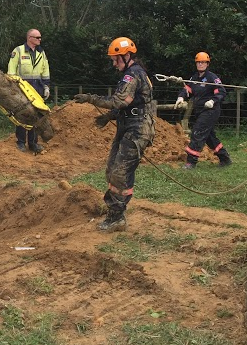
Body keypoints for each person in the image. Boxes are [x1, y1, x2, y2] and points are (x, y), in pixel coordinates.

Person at [73, 36, 156, 232]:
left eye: (115, 58)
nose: (113, 63)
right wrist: (109, 116)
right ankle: (115, 211)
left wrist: (90, 98)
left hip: (138, 128)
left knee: (120, 172)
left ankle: (117, 216)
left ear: (126, 56)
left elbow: (119, 101)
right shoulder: (131, 73)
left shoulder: (132, 75)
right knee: (112, 170)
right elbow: (128, 103)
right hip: (127, 125)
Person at [174, 51, 232, 169]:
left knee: (197, 132)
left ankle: (191, 162)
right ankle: (225, 158)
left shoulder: (212, 77)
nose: (200, 64)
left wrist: (212, 101)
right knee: (210, 137)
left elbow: (221, 92)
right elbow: (187, 89)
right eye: (198, 62)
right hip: (200, 111)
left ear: (207, 64)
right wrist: (181, 97)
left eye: (203, 62)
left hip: (211, 111)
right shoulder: (194, 78)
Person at [7, 28, 51, 153]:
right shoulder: (19, 51)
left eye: (40, 37)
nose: (40, 40)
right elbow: (11, 70)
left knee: (36, 115)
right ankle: (21, 142)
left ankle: (33, 143)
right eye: (37, 38)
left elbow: (45, 70)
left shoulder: (41, 53)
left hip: (37, 87)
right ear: (29, 38)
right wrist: (13, 86)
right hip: (23, 87)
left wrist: (46, 86)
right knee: (22, 114)